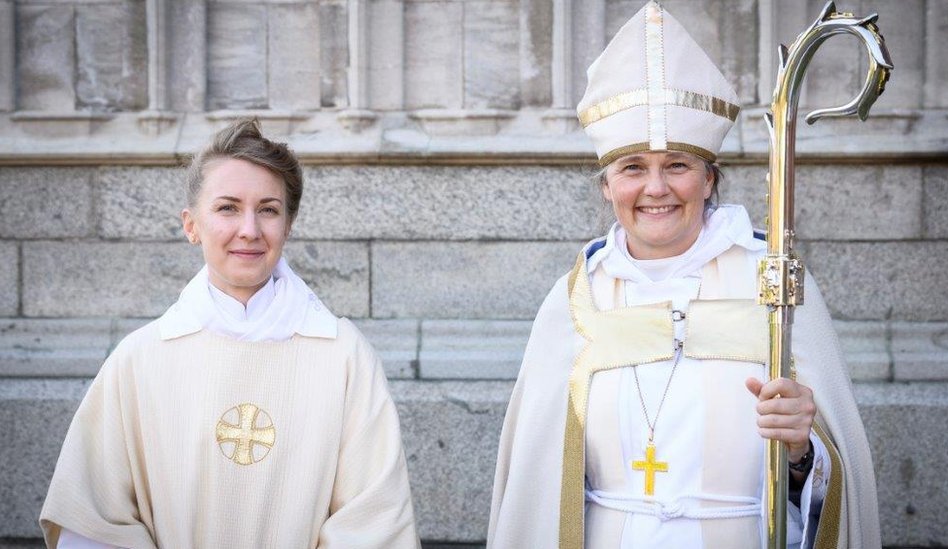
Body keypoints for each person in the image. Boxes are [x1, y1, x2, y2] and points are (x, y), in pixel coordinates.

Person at [487, 3, 880, 548]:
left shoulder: (775, 285)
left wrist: (801, 451)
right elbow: (537, 480)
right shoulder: (580, 298)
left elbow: (830, 481)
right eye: (632, 169)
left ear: (709, 179)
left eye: (677, 165)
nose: (655, 189)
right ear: (606, 186)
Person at [39, 120, 420, 549]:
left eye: (269, 209)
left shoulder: (344, 356)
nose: (250, 230)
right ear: (191, 225)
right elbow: (97, 522)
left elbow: (373, 521)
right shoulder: (140, 360)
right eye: (227, 208)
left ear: (288, 225)